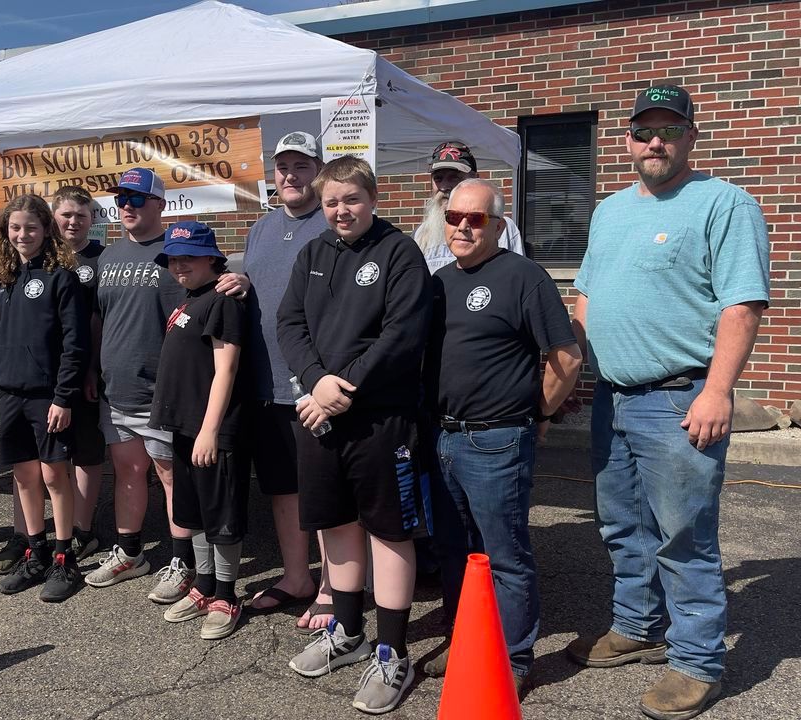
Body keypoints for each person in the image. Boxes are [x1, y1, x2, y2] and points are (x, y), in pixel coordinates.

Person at [565, 84, 769, 720]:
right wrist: (569, 377)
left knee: (684, 537)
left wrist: (718, 391)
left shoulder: (725, 203)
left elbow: (742, 304)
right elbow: (586, 297)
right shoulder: (609, 212)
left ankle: (698, 661)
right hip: (613, 398)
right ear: (627, 140)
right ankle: (638, 627)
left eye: (671, 130)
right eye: (644, 131)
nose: (656, 141)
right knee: (622, 526)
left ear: (690, 138)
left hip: (681, 398)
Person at [278, 156, 432, 715]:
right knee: (337, 524)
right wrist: (317, 382)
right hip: (321, 415)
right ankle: (346, 633)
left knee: (388, 532)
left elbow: (402, 333)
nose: (341, 211)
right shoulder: (312, 254)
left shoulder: (399, 252)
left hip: (380, 419)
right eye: (331, 202)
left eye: (351, 199)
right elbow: (289, 323)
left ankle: (393, 653)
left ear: (373, 198)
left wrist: (344, 389)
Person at [421, 179, 582, 686]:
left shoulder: (523, 277)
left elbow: (567, 357)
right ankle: (466, 640)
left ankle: (512, 660)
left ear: (497, 225)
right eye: (454, 217)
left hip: (496, 440)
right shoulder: (438, 282)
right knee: (454, 552)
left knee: (504, 556)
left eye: (476, 219)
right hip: (443, 439)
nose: (463, 227)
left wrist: (539, 413)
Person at [216, 131, 334, 632]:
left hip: (313, 383)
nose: (290, 175)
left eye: (301, 165)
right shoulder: (261, 229)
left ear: (318, 172)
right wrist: (245, 282)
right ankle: (297, 577)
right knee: (283, 490)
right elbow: (266, 285)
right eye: (283, 166)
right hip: (266, 382)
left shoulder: (331, 222)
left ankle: (332, 587)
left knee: (323, 491)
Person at [84, 168, 194, 599]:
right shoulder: (108, 256)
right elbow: (98, 319)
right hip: (117, 390)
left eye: (136, 198)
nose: (126, 206)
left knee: (170, 476)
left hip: (161, 392)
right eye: (121, 199)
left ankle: (184, 561)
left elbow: (193, 319)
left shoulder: (177, 253)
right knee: (128, 471)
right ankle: (130, 553)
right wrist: (92, 369)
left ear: (160, 204)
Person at [0, 194, 88, 602]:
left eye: (30, 227)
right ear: (5, 232)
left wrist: (64, 397)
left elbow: (75, 343)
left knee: (53, 476)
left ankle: (64, 557)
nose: (22, 234)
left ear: (46, 229)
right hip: (8, 395)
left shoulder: (62, 277)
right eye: (15, 228)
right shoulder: (1, 281)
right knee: (24, 477)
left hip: (48, 397)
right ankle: (36, 551)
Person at [149, 221, 248, 639]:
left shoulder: (222, 301)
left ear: (211, 257)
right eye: (172, 259)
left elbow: (227, 369)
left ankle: (226, 593)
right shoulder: (188, 299)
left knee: (221, 513)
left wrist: (210, 430)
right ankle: (204, 584)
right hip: (186, 426)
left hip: (213, 429)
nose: (179, 266)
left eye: (188, 257)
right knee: (198, 512)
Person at [52, 186, 106, 560]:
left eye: (81, 216)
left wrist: (90, 369)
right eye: (66, 215)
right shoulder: (40, 258)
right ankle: (58, 526)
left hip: (85, 373)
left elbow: (101, 319)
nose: (73, 222)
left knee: (86, 450)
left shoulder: (102, 259)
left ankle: (82, 530)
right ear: (54, 217)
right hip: (45, 375)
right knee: (52, 456)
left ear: (91, 220)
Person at [414, 141, 524, 274]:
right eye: (438, 178)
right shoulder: (421, 233)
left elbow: (516, 275)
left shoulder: (497, 226)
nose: (444, 187)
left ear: (475, 179)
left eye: (454, 177)